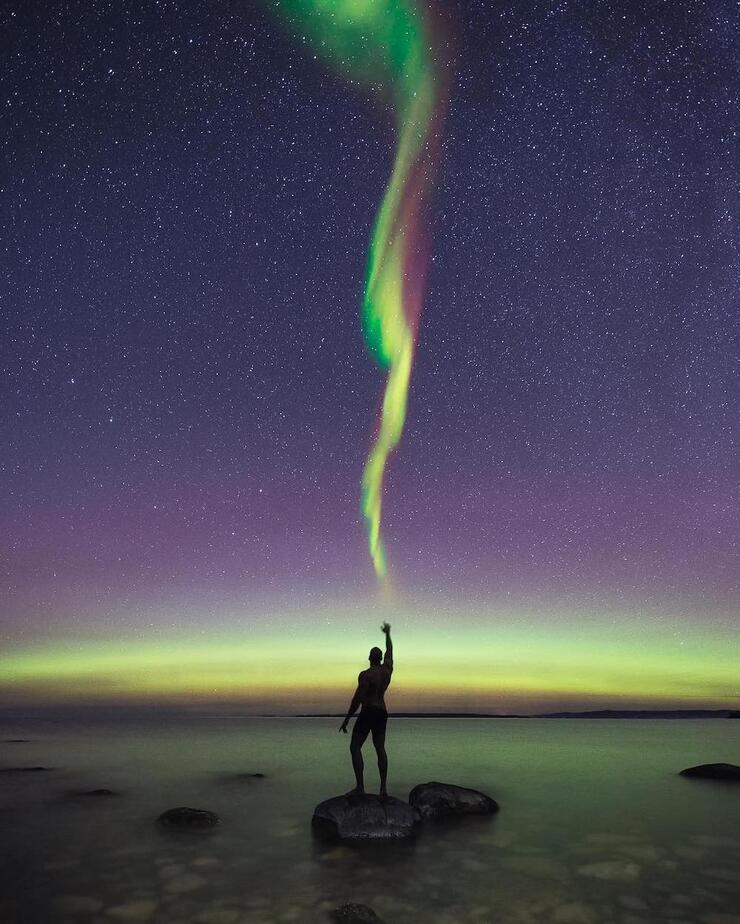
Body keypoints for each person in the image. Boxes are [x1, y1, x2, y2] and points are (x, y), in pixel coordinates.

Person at [339, 622, 393, 797]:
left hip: (368, 711)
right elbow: (390, 651)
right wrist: (387, 634)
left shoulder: (366, 675)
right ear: (381, 659)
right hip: (382, 713)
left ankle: (360, 787)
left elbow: (357, 699)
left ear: (370, 658)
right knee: (380, 749)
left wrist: (347, 719)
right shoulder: (387, 671)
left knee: (355, 747)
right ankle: (383, 789)